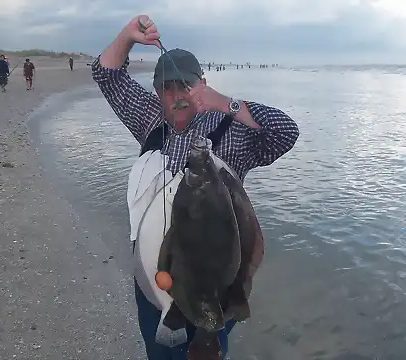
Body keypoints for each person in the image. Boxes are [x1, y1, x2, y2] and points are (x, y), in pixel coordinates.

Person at [91, 14, 299, 360]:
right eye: (167, 89)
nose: (177, 97)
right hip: (160, 278)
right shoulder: (150, 119)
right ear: (158, 93)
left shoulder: (230, 130)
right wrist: (128, 36)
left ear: (201, 83)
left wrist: (226, 103)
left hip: (216, 278)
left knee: (210, 344)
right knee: (160, 353)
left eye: (185, 86)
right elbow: (107, 75)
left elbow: (285, 132)